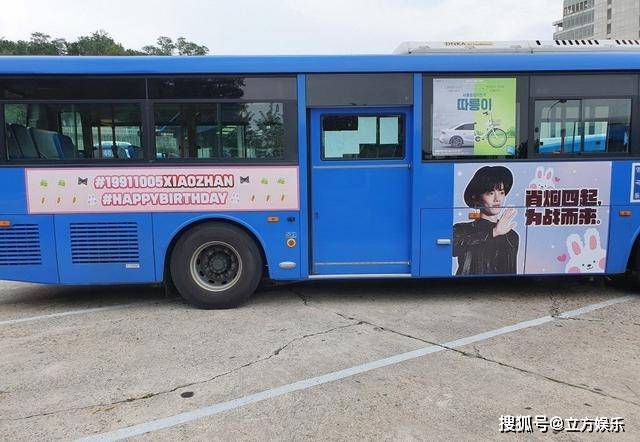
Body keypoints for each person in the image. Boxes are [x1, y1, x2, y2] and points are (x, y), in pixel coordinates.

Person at [453, 165, 519, 275]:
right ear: (477, 198)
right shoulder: (462, 229)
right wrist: (494, 232)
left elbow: (512, 274)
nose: (497, 199)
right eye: (490, 193)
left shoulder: (512, 236)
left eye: (501, 192)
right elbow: (452, 248)